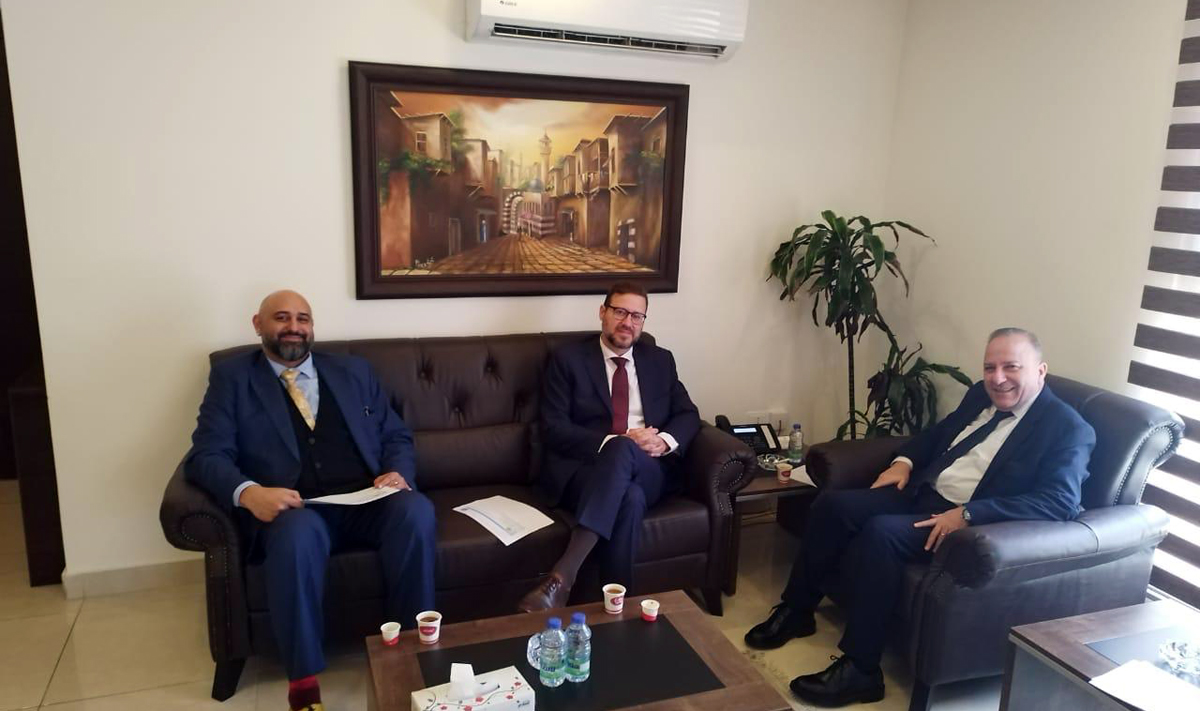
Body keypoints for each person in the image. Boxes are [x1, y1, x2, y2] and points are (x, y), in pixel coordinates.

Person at [744, 328, 1096, 707]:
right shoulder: (981, 396)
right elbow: (937, 435)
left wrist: (970, 513)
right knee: (833, 506)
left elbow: (1060, 501)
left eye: (1011, 367)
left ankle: (862, 670)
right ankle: (798, 609)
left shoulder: (1068, 429)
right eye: (989, 367)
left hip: (964, 522)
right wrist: (904, 461)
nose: (997, 379)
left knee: (882, 534)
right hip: (921, 493)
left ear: (1040, 371)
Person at [184, 290, 435, 711]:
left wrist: (398, 472)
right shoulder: (233, 378)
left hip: (364, 498)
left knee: (416, 511)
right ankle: (302, 684)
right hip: (295, 508)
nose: (294, 327)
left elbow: (395, 435)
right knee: (297, 537)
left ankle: (413, 652)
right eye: (282, 318)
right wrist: (249, 493)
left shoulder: (353, 370)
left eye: (303, 318)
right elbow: (206, 455)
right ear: (258, 324)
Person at [517, 281, 701, 611]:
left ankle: (562, 578)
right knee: (630, 496)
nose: (628, 322)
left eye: (637, 316)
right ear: (602, 312)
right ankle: (617, 609)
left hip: (649, 467)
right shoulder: (568, 360)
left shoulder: (660, 360)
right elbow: (553, 428)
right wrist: (617, 441)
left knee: (626, 456)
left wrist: (663, 442)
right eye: (620, 312)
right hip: (585, 471)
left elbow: (688, 414)